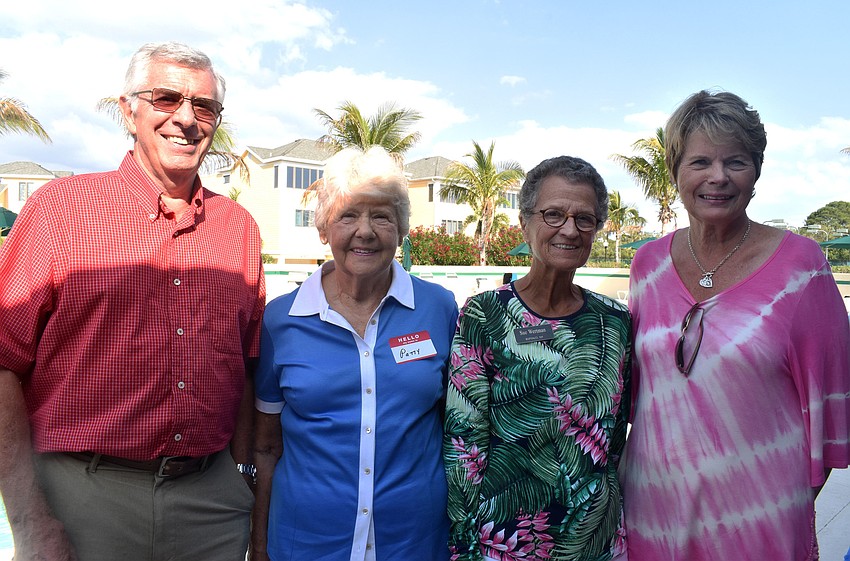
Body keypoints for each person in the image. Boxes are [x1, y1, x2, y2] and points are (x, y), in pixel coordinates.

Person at [0, 42, 265, 561]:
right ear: (128, 110)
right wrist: (30, 519)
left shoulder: (240, 231)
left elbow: (249, 367)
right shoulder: (59, 212)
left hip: (211, 502)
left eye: (205, 106)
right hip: (83, 497)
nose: (187, 119)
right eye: (166, 98)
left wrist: (241, 486)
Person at [620, 90, 850, 560]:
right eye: (700, 162)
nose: (718, 177)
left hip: (759, 513)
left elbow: (832, 399)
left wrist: (789, 499)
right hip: (652, 506)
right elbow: (638, 390)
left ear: (757, 171)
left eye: (737, 162)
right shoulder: (648, 264)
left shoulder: (802, 267)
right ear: (676, 172)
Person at [252, 146, 458, 561]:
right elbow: (267, 447)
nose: (365, 231)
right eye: (348, 215)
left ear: (401, 229)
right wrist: (259, 545)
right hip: (306, 542)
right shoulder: (281, 319)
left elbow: (451, 426)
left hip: (414, 542)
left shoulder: (440, 309)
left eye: (381, 216)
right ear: (324, 227)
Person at [443, 156, 631, 561]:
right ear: (525, 222)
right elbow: (463, 444)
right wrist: (466, 544)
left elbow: (614, 441)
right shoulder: (484, 315)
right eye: (553, 214)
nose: (569, 229)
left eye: (585, 218)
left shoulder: (614, 322)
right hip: (502, 538)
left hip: (592, 538)